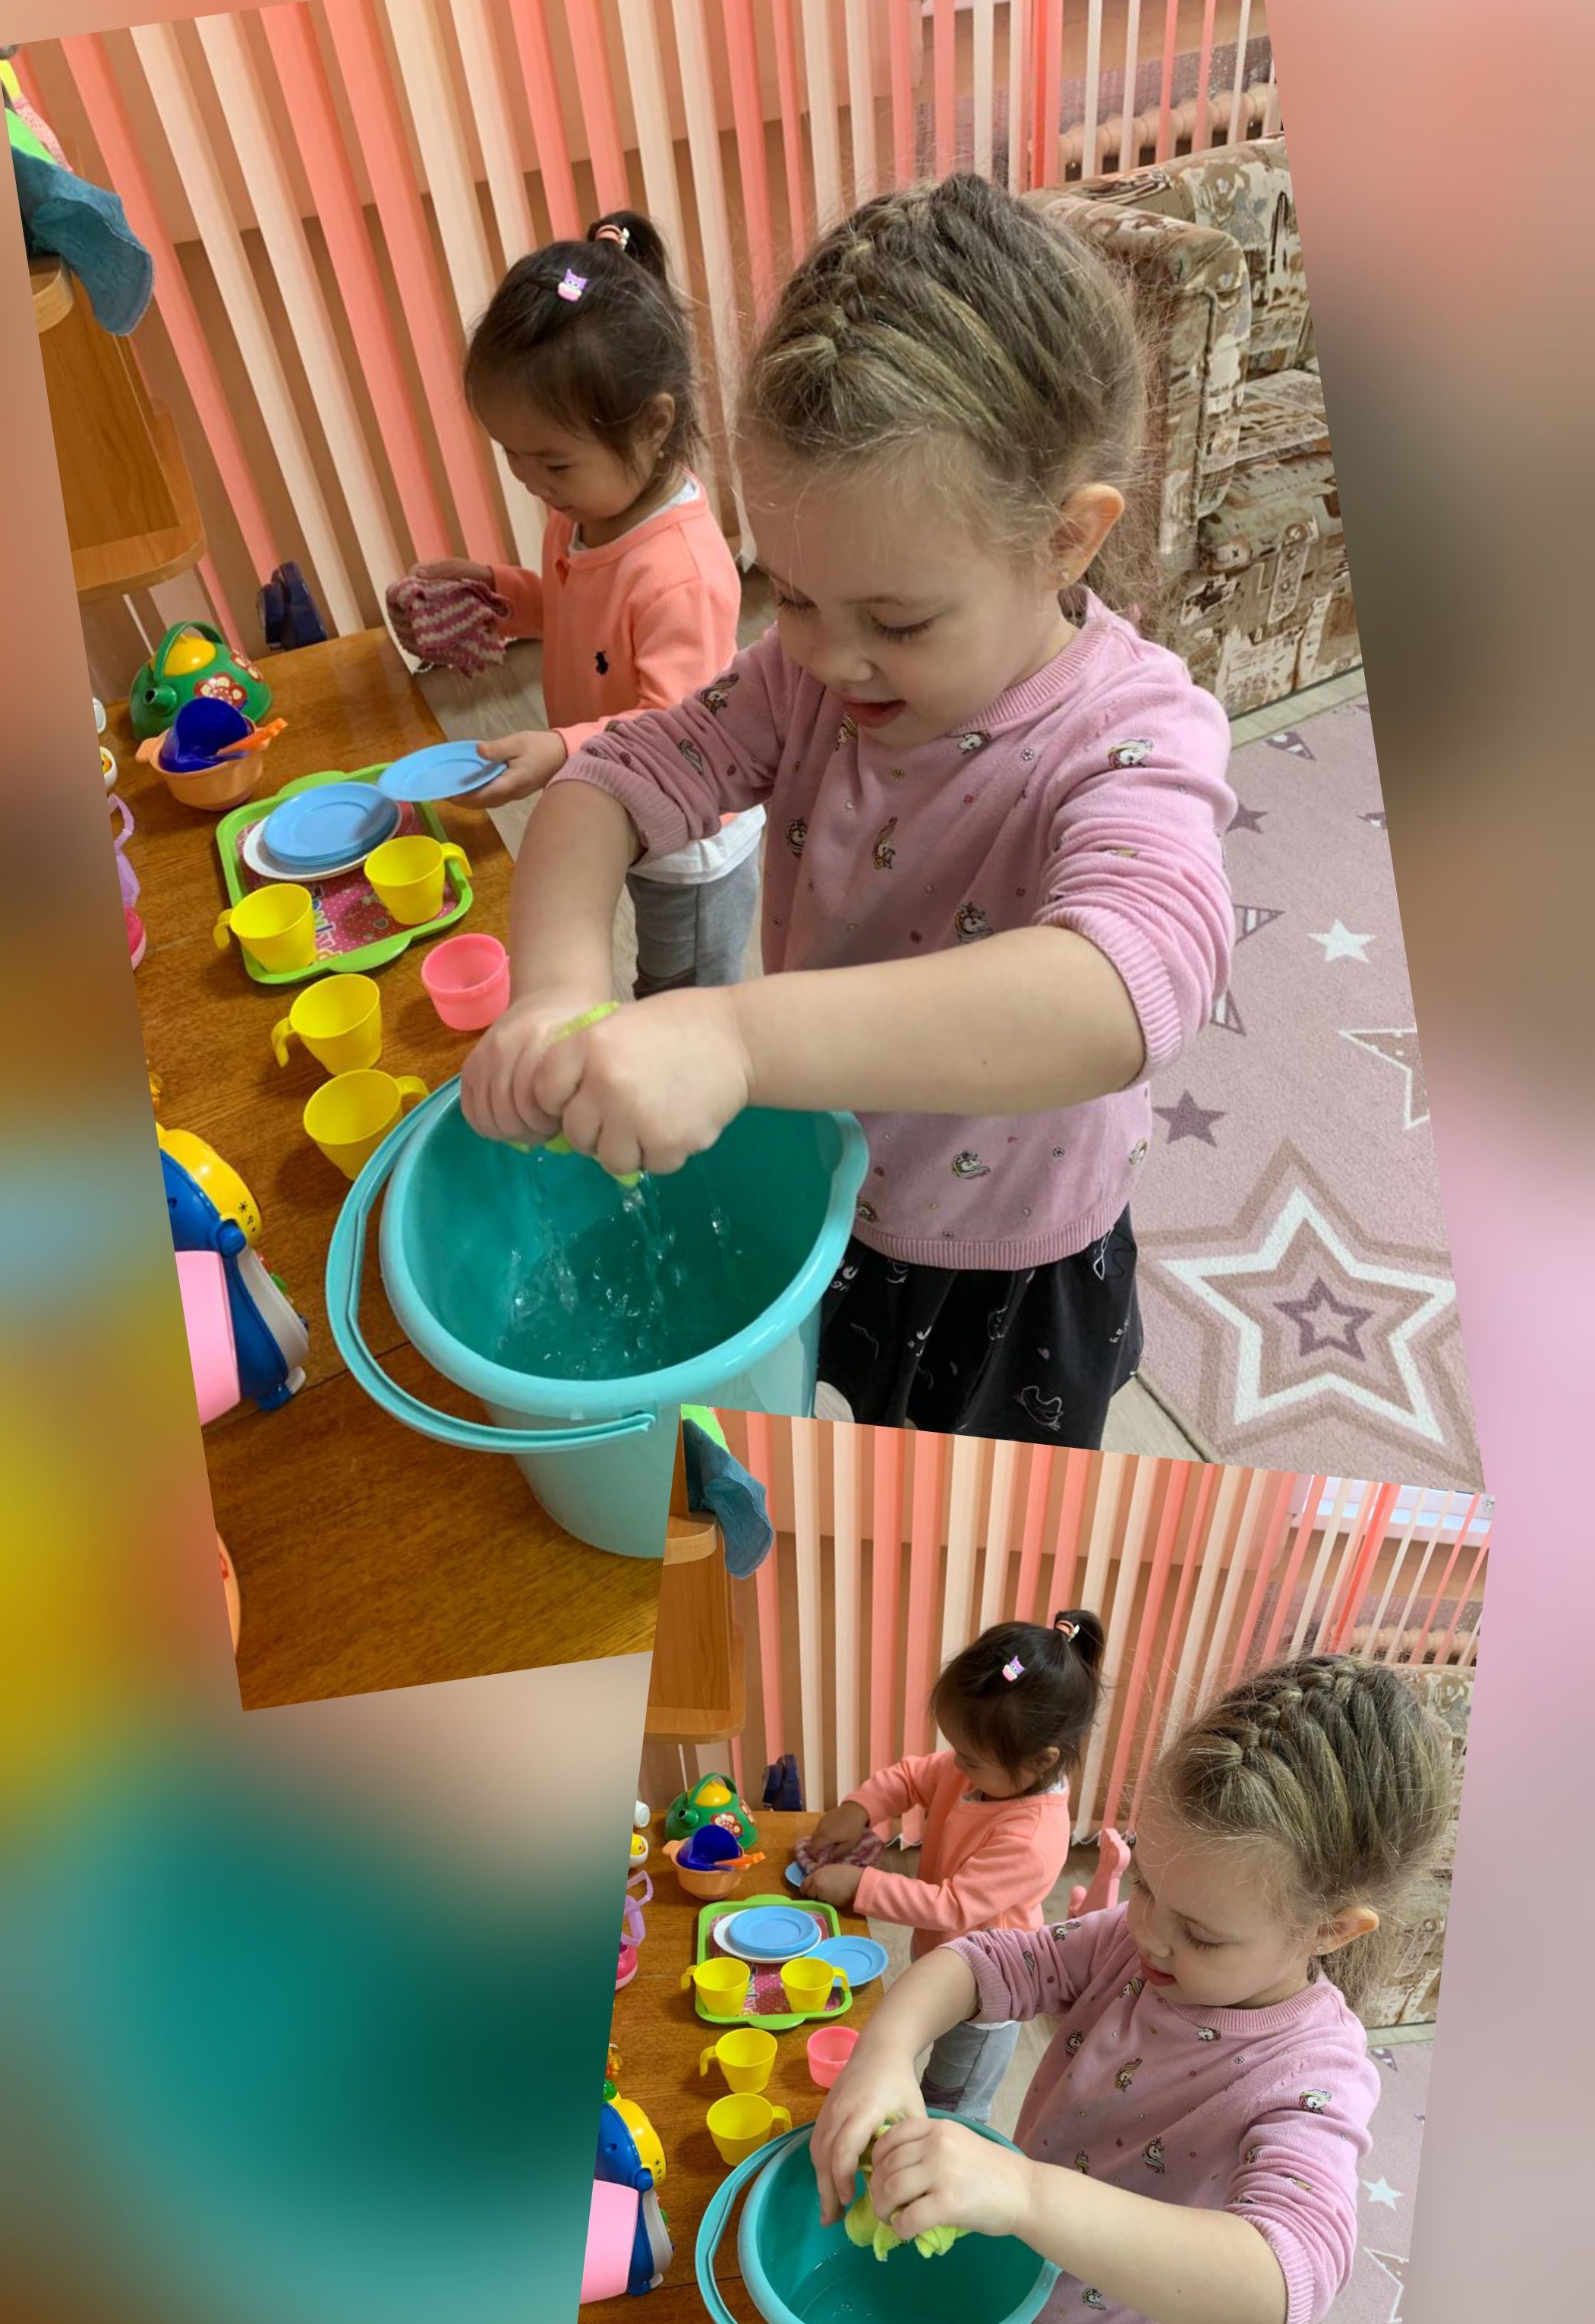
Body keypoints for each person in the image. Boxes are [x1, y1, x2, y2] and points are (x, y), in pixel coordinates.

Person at [459, 171, 1235, 1447]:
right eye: (798, 594)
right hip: (824, 1186)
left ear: (1067, 539)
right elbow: (607, 783)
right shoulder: (802, 680)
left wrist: (736, 1038)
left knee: (984, 1521)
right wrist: (553, 992)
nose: (829, 654)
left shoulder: (1131, 734)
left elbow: (1128, 988)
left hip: (1007, 1261)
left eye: (898, 619)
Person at [809, 1654, 1452, 2324]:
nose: (1148, 1932)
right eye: (1146, 1881)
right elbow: (985, 1959)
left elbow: (1284, 2282)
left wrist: (1023, 2191)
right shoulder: (1127, 1940)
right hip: (1023, 2280)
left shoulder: (1315, 2070)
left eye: (1202, 1934)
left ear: (1332, 1928)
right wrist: (885, 2050)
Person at [394, 209, 763, 998]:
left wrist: (562, 750)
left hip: (690, 836)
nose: (533, 483)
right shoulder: (583, 514)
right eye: (512, 456)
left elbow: (681, 730)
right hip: (623, 800)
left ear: (655, 424)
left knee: (683, 998)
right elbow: (572, 612)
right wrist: (497, 593)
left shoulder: (682, 575)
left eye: (553, 463)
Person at [799, 1611, 1105, 2123]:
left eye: (971, 1759)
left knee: (950, 2109)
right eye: (957, 1750)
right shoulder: (986, 1767)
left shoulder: (1032, 1837)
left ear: (1041, 1761)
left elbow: (952, 1906)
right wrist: (860, 1808)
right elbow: (912, 1778)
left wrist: (860, 1885)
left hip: (984, 1996)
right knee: (914, 2068)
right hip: (943, 1964)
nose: (956, 1765)